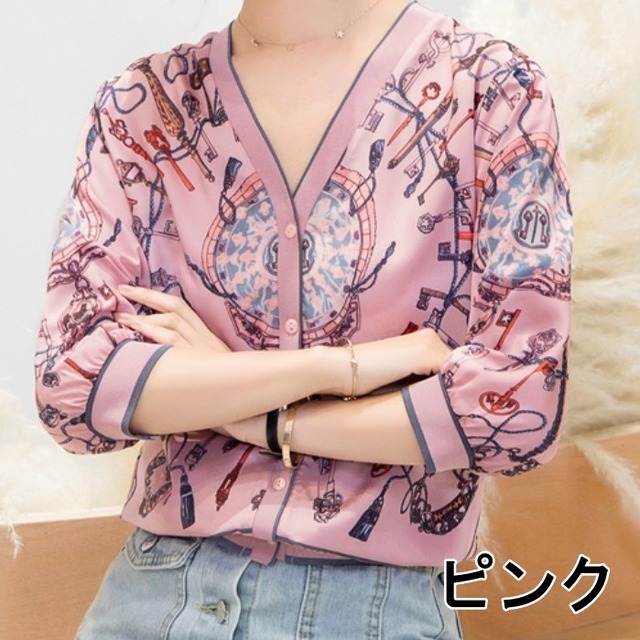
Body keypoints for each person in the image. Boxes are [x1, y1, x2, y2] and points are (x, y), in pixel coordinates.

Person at [35, 0, 573, 637]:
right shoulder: (142, 102)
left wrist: (248, 412)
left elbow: (516, 408)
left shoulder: (489, 87)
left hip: (369, 604)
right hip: (153, 592)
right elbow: (74, 387)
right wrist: (340, 369)